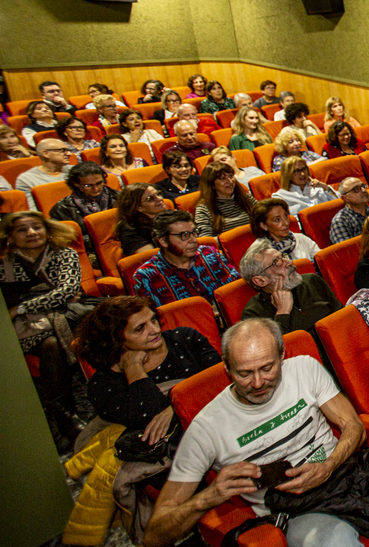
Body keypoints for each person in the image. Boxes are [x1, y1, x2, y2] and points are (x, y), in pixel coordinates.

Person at [143, 319, 369, 547]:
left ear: (282, 356)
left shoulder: (304, 368)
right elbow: (155, 534)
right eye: (244, 374)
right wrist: (210, 496)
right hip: (295, 511)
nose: (258, 383)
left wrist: (329, 465)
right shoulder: (207, 428)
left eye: (267, 368)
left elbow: (353, 426)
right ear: (226, 368)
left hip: (345, 473)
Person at [0, 212, 88, 448]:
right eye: (22, 230)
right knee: (51, 345)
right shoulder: (4, 265)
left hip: (66, 315)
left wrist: (20, 307)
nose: (31, 233)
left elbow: (67, 291)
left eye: (36, 227)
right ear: (9, 237)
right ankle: (67, 416)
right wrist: (47, 298)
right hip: (24, 329)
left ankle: (72, 413)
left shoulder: (63, 254)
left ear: (47, 230)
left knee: (56, 339)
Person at [77, 295, 220, 437]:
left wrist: (177, 408)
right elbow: (150, 417)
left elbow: (223, 382)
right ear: (115, 339)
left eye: (153, 320)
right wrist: (133, 367)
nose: (155, 330)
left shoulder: (185, 338)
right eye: (140, 328)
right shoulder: (101, 385)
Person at [131, 210, 239, 307]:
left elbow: (236, 288)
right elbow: (159, 320)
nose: (193, 240)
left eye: (193, 232)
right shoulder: (146, 276)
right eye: (185, 235)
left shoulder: (209, 254)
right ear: (163, 241)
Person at [240, 240, 342, 342]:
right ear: (260, 281)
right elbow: (276, 353)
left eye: (283, 257)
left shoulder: (312, 281)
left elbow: (343, 318)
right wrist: (282, 313)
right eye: (277, 262)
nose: (289, 262)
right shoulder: (254, 314)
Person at [50, 161, 114, 261]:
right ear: (76, 184)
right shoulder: (62, 209)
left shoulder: (119, 197)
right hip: (91, 252)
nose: (96, 189)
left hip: (121, 245)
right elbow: (69, 241)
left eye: (99, 183)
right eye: (88, 186)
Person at [251, 198, 320, 262]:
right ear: (264, 226)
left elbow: (322, 262)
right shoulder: (259, 253)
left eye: (285, 216)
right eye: (277, 220)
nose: (286, 223)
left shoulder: (301, 239)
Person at [194, 163, 254, 237]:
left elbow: (263, 216)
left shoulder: (245, 197)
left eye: (230, 176)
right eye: (222, 178)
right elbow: (207, 239)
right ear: (212, 185)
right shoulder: (204, 208)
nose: (229, 181)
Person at [17, 139, 72, 208]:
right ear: (46, 154)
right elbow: (32, 210)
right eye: (63, 150)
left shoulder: (75, 171)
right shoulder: (26, 179)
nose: (69, 154)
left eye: (69, 150)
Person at [272, 157, 336, 215]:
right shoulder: (280, 197)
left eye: (304, 169)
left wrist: (325, 187)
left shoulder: (319, 188)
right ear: (288, 174)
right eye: (297, 171)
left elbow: (339, 205)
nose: (302, 174)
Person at [115, 183, 166, 256]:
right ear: (139, 207)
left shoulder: (167, 214)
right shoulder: (130, 230)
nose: (159, 199)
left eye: (158, 194)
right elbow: (151, 256)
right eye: (150, 198)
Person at [329, 177, 369, 244]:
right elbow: (347, 251)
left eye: (363, 186)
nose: (363, 190)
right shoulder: (340, 221)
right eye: (356, 189)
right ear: (345, 198)